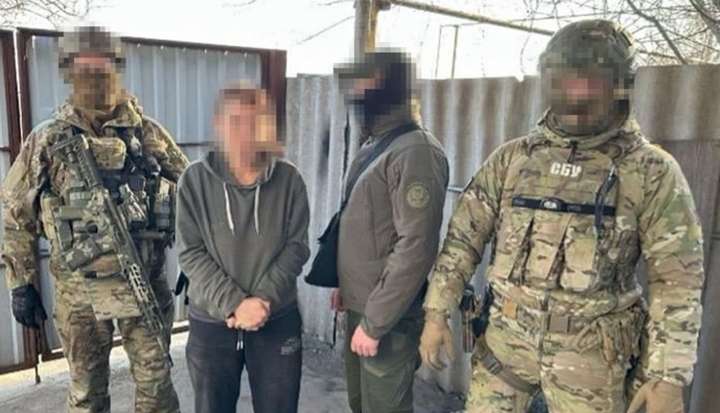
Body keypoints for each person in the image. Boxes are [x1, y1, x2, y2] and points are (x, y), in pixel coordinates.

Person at [419, 19, 704, 413]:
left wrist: (668, 377)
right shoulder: (514, 159)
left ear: (619, 87)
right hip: (505, 346)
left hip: (592, 361)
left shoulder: (651, 171)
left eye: (591, 82)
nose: (577, 94)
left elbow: (677, 281)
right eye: (566, 81)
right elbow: (462, 241)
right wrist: (436, 313)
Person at [2, 26, 186, 413]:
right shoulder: (49, 139)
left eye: (101, 64)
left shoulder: (148, 134)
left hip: (145, 285)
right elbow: (15, 213)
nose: (93, 73)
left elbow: (193, 194)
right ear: (68, 70)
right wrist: (20, 283)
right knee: (87, 395)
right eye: (82, 66)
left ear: (115, 66)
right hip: (80, 295)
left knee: (157, 389)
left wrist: (199, 259)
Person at [175, 84, 310, 413]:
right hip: (213, 322)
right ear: (218, 124)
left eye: (254, 122)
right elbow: (190, 253)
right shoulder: (194, 181)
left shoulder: (290, 180)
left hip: (276, 317)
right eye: (235, 121)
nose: (245, 133)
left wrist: (261, 301)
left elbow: (296, 248)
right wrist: (235, 304)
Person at [331, 50, 449, 413]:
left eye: (365, 82)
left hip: (387, 317)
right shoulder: (378, 143)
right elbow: (368, 228)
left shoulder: (415, 151)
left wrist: (375, 323)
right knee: (360, 404)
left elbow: (416, 246)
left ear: (390, 85)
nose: (356, 91)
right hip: (363, 305)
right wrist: (344, 285)